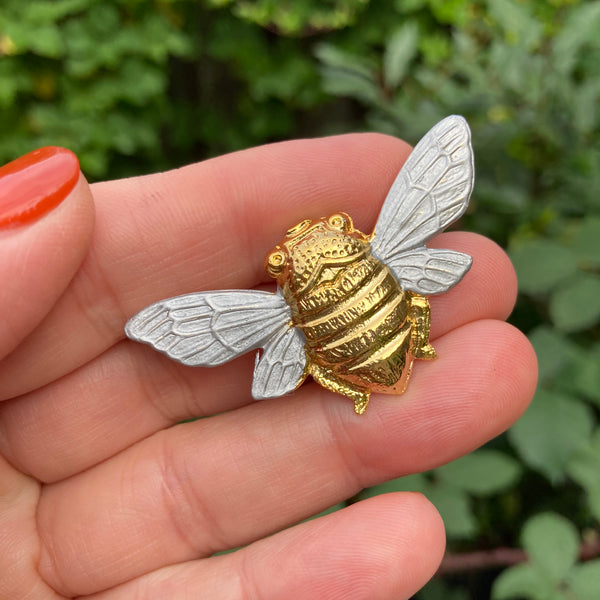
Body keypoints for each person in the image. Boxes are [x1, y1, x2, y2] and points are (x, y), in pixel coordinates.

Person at [0, 135, 537, 599]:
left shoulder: (290, 297)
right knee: (415, 306)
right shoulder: (372, 249)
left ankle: (376, 373)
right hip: (381, 327)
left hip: (347, 350)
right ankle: (413, 348)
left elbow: (273, 335)